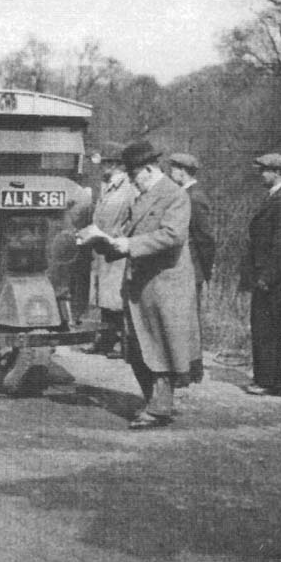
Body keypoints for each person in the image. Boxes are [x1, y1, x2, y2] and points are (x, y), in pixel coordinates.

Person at [95, 140, 196, 430]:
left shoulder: (174, 195)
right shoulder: (142, 195)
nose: (132, 183)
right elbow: (129, 233)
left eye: (135, 176)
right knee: (139, 345)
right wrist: (106, 243)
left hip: (164, 284)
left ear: (150, 170)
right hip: (140, 282)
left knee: (161, 345)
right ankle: (154, 401)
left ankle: (160, 406)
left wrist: (129, 244)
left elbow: (172, 236)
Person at [240, 153, 281, 397]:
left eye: (264, 171)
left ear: (277, 172)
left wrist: (268, 276)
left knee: (268, 329)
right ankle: (264, 377)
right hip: (264, 275)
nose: (261, 175)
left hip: (272, 279)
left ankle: (269, 381)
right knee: (261, 327)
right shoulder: (275, 198)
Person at [86, 142, 137, 358]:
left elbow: (133, 219)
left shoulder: (128, 189)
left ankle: (121, 343)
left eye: (106, 162)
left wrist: (121, 238)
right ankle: (105, 340)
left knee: (117, 298)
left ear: (116, 164)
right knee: (104, 297)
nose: (102, 167)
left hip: (117, 249)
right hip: (102, 248)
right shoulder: (107, 186)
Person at [169, 152, 216, 384]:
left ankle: (190, 369)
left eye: (174, 168)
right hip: (184, 267)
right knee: (184, 319)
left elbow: (205, 238)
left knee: (188, 321)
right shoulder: (184, 194)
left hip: (193, 268)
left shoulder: (195, 197)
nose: (171, 173)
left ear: (182, 171)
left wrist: (204, 271)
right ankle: (188, 368)